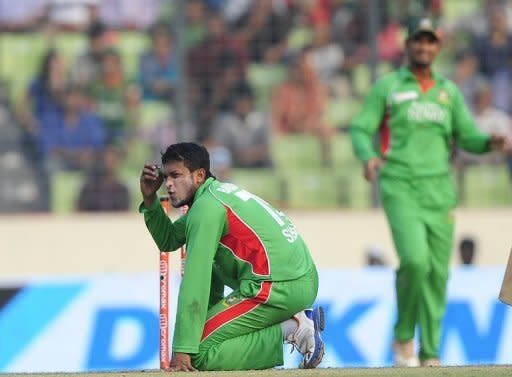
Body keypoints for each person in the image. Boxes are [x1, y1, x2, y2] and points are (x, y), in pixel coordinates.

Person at [350, 18, 510, 368]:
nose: (423, 47)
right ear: (408, 44)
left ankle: (430, 353)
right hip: (400, 183)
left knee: (438, 272)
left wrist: (489, 143)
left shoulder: (447, 92)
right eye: (417, 41)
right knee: (415, 261)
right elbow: (361, 129)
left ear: (437, 47)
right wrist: (367, 156)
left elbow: (466, 136)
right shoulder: (388, 87)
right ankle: (404, 334)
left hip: (440, 189)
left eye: (430, 42)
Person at [139, 142, 324, 371]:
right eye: (165, 176)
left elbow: (195, 282)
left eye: (176, 176)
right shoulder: (214, 197)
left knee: (198, 354)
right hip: (296, 280)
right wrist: (150, 200)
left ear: (199, 175)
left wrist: (182, 350)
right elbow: (169, 240)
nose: (168, 184)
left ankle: (294, 329)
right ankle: (294, 326)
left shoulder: (207, 208)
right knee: (199, 345)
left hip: (276, 286)